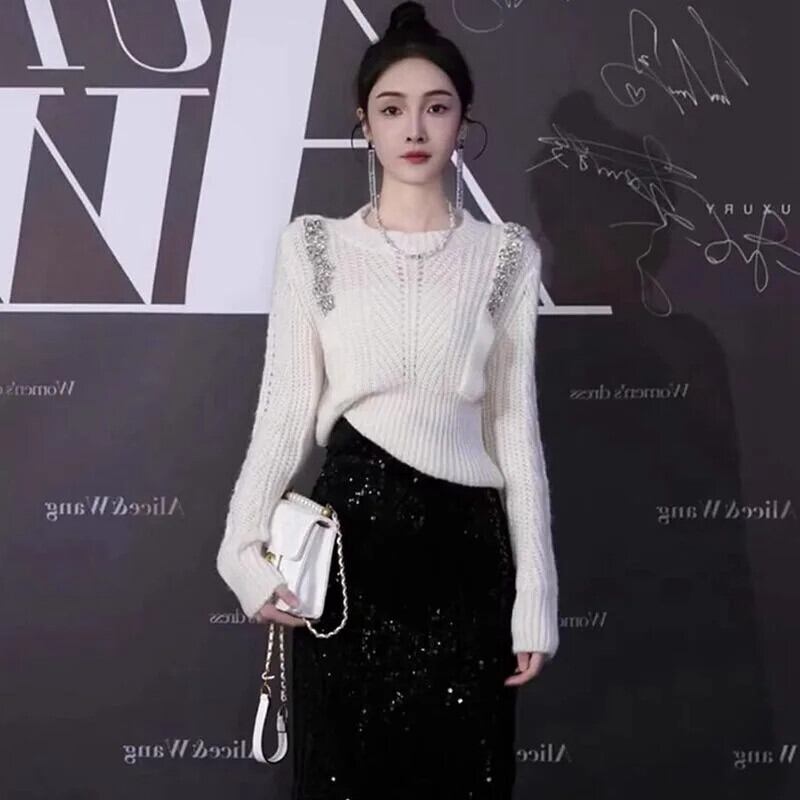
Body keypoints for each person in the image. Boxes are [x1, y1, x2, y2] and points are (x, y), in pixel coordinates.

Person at [215, 3, 559, 797]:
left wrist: (535, 594)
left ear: (463, 121)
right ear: (363, 122)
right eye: (392, 108)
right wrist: (240, 551)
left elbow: (514, 432)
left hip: (467, 560)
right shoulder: (313, 247)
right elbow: (284, 413)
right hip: (351, 559)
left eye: (436, 107)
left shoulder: (505, 255)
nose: (415, 128)